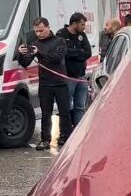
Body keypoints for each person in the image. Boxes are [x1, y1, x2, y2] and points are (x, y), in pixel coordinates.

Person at [16, 17, 72, 150]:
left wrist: (39, 52)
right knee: (45, 113)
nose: (39, 34)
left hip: (60, 83)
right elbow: (25, 63)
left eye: (41, 30)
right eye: (36, 31)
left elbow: (57, 59)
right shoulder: (35, 44)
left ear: (48, 27)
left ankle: (65, 137)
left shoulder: (60, 41)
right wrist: (20, 53)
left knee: (64, 112)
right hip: (45, 84)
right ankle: (45, 139)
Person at [56, 13, 92, 127]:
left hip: (81, 76)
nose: (84, 27)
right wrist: (79, 52)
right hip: (68, 77)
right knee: (66, 107)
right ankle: (65, 133)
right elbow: (64, 53)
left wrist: (74, 53)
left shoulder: (82, 35)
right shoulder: (61, 34)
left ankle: (79, 131)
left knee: (80, 107)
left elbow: (88, 52)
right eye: (82, 24)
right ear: (74, 23)